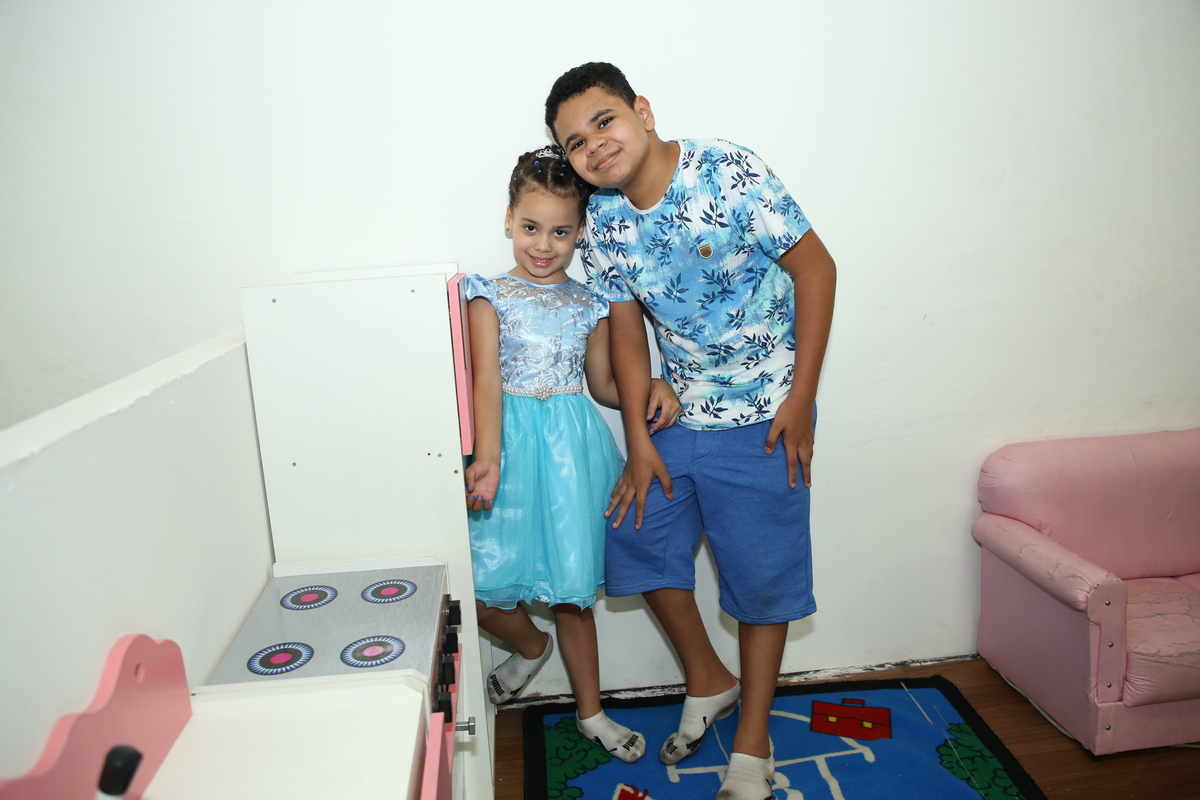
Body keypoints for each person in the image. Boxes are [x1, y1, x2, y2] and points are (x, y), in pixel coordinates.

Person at [545, 63, 837, 800]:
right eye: (575, 142)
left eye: (604, 121)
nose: (594, 145)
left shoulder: (726, 170)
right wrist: (639, 444)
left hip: (768, 415)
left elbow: (817, 269)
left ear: (642, 111)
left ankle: (753, 743)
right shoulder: (604, 221)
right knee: (635, 540)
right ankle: (709, 678)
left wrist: (801, 399)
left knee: (762, 582)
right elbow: (627, 335)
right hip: (678, 414)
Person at [463, 145, 681, 764]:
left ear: (581, 231)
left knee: (571, 593)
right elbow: (485, 381)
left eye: (561, 232)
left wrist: (655, 385)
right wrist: (488, 457)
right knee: (478, 586)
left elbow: (605, 385)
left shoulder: (590, 302)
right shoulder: (488, 295)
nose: (543, 245)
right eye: (531, 227)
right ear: (509, 220)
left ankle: (592, 713)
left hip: (570, 456)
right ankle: (532, 648)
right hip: (507, 449)